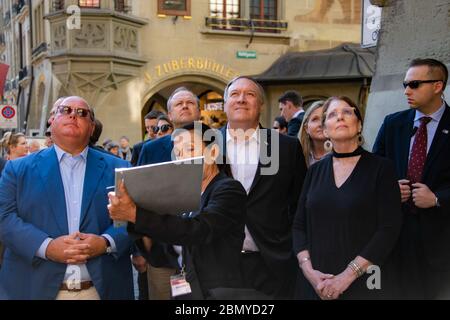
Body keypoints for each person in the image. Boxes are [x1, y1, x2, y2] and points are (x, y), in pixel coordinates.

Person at [0, 96, 134, 300]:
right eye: (65, 110)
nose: (73, 114)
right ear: (51, 121)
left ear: (91, 128)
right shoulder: (17, 170)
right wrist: (47, 247)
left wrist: (106, 242)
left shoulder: (120, 169)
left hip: (101, 289)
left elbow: (134, 219)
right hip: (33, 288)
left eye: (82, 113)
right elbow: (4, 218)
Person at [109, 122, 247, 299]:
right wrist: (139, 208)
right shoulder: (186, 194)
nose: (183, 158)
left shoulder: (229, 189)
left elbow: (196, 230)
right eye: (178, 153)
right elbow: (164, 252)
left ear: (213, 153)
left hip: (218, 291)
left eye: (190, 149)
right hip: (188, 289)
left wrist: (135, 214)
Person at [293, 96, 402, 300]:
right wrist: (309, 273)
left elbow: (389, 229)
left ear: (359, 124)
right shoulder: (314, 171)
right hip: (316, 283)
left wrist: (346, 277)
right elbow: (299, 226)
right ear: (325, 130)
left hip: (365, 282)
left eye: (347, 112)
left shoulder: (382, 168)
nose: (340, 117)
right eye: (332, 115)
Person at [221, 76, 307, 299]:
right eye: (234, 94)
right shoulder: (203, 146)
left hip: (272, 264)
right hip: (217, 263)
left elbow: (300, 205)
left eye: (249, 94)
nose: (241, 99)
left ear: (260, 104)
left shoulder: (286, 147)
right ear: (224, 105)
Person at [373, 58, 450, 299]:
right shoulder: (393, 123)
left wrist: (438, 198)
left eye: (414, 84)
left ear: (437, 86)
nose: (407, 90)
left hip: (441, 240)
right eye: (405, 84)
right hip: (395, 237)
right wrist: (390, 189)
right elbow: (374, 171)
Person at [137, 87, 202, 300]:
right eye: (178, 104)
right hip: (162, 252)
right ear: (170, 115)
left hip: (204, 250)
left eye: (190, 103)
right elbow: (140, 196)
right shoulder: (151, 150)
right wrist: (141, 248)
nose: (184, 106)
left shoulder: (215, 144)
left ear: (199, 112)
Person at [299, 100, 328, 167]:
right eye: (315, 119)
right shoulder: (298, 156)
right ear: (306, 128)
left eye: (325, 118)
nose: (321, 124)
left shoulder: (342, 154)